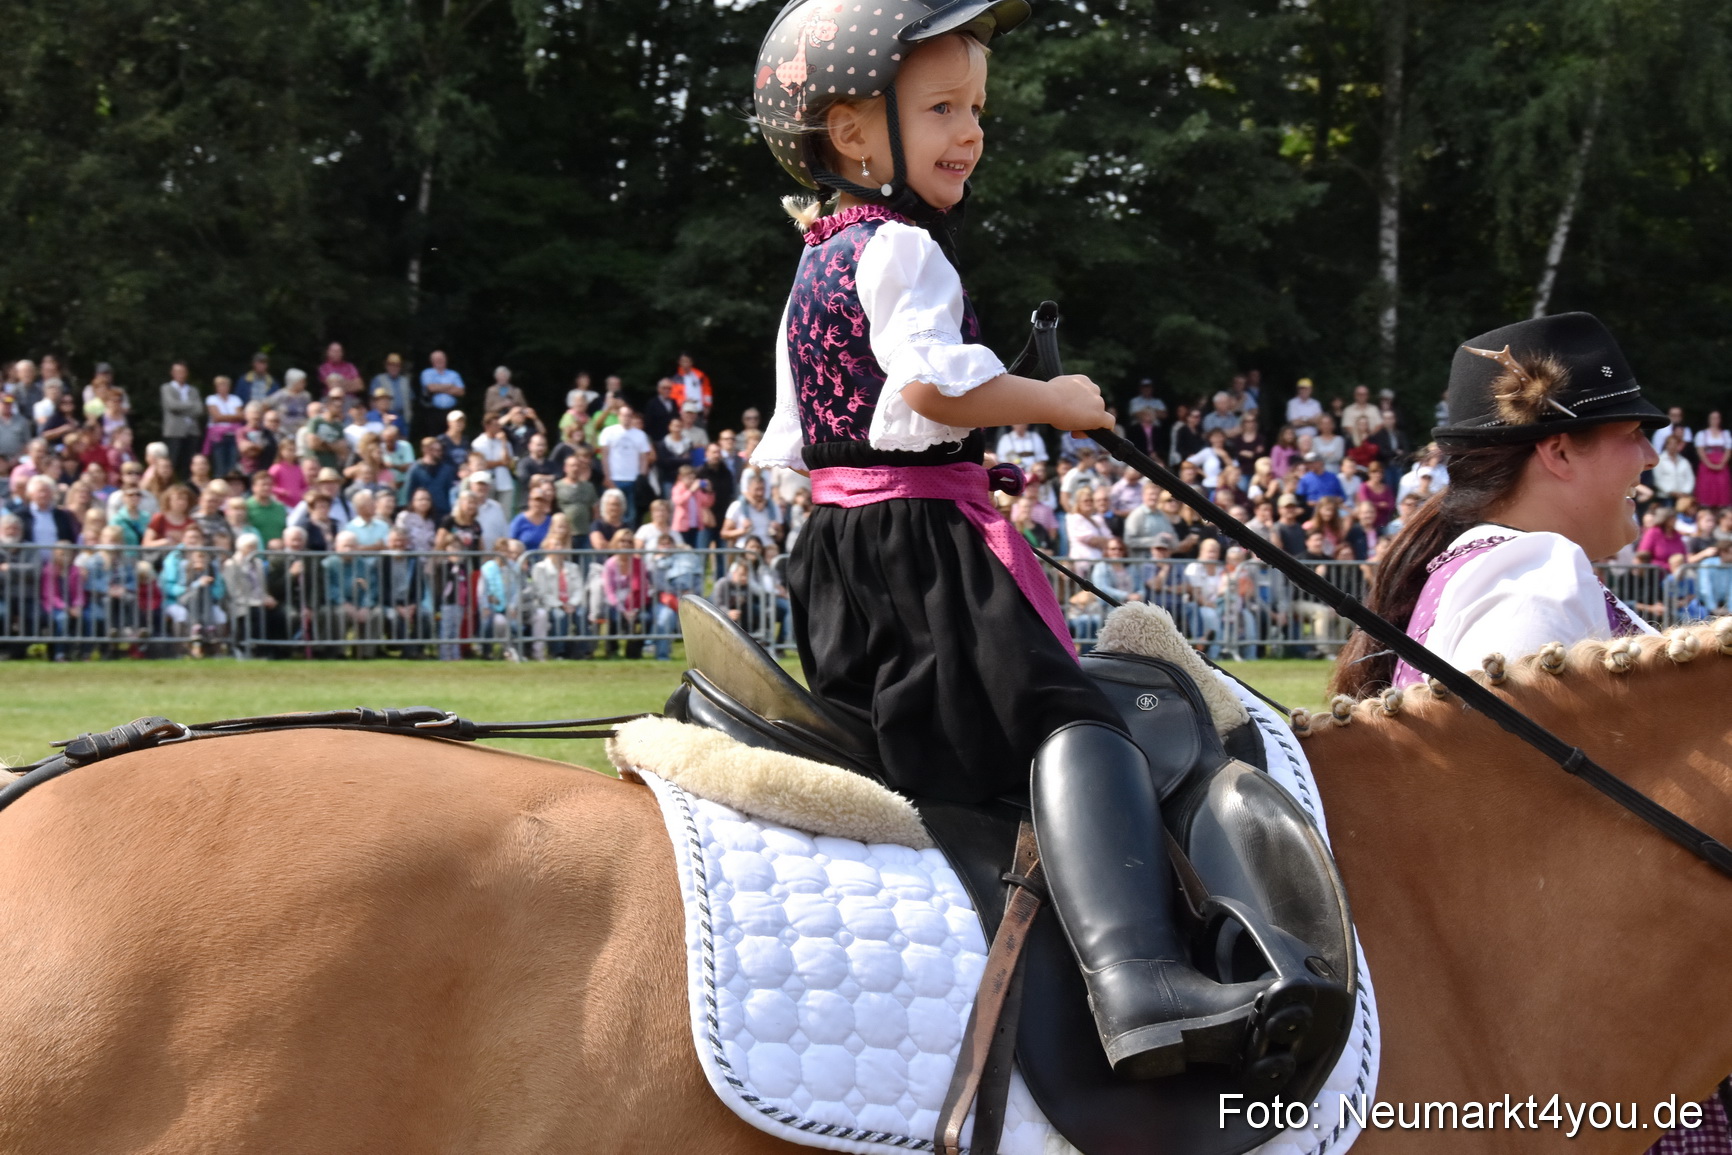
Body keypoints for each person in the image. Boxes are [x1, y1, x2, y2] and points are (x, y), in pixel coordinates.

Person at [746, 1, 1272, 1080]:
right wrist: (1054, 398)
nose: (971, 131)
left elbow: (821, 429)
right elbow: (935, 386)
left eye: (976, 108)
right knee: (1072, 722)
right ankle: (1142, 987)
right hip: (925, 551)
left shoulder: (820, 260)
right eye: (941, 107)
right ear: (851, 132)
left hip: (844, 549)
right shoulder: (900, 249)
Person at [159, 362, 203, 479]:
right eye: (177, 372)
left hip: (192, 431)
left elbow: (199, 410)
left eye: (183, 372)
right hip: (174, 431)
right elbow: (172, 406)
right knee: (173, 461)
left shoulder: (193, 390)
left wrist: (182, 408)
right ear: (172, 373)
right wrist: (190, 406)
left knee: (189, 463)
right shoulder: (166, 388)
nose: (180, 374)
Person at [1694, 410, 1731, 509]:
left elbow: (1728, 450)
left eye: (1717, 418)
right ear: (1709, 420)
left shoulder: (1725, 433)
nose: (1715, 420)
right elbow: (1700, 451)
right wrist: (1709, 464)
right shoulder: (1702, 434)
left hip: (1721, 465)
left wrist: (1722, 463)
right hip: (1707, 466)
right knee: (1707, 488)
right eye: (1713, 418)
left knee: (1722, 487)